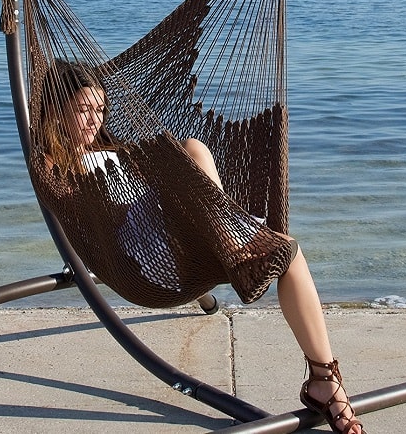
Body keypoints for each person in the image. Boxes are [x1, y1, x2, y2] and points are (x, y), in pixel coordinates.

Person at [38, 60, 366, 434]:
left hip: (175, 237)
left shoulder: (114, 148)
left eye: (99, 109)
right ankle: (235, 245)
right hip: (146, 261)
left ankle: (324, 380)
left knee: (287, 249)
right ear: (56, 110)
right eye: (82, 110)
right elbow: (82, 210)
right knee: (192, 149)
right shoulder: (53, 165)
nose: (93, 120)